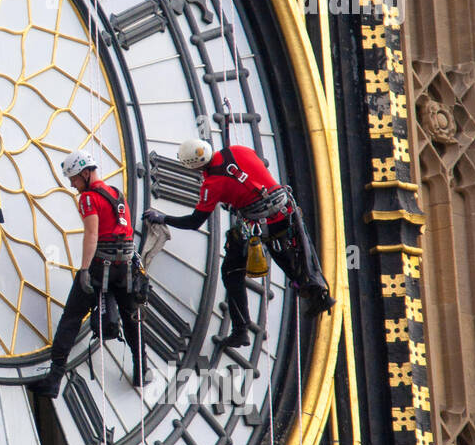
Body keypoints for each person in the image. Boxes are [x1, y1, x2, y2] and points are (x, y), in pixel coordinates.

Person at [144, 138, 335, 348]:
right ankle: (315, 290)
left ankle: (241, 329)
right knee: (299, 258)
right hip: (285, 211)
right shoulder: (238, 150)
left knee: (231, 272)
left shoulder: (212, 185)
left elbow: (194, 222)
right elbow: (252, 176)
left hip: (260, 224)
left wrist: (163, 218)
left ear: (194, 166)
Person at [33, 150, 148, 399]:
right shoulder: (117, 193)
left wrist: (85, 270)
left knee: (71, 318)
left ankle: (54, 380)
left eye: (74, 178)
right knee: (131, 319)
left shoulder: (87, 198)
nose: (72, 185)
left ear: (85, 173)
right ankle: (141, 371)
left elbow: (92, 234)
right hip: (125, 265)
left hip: (100, 266)